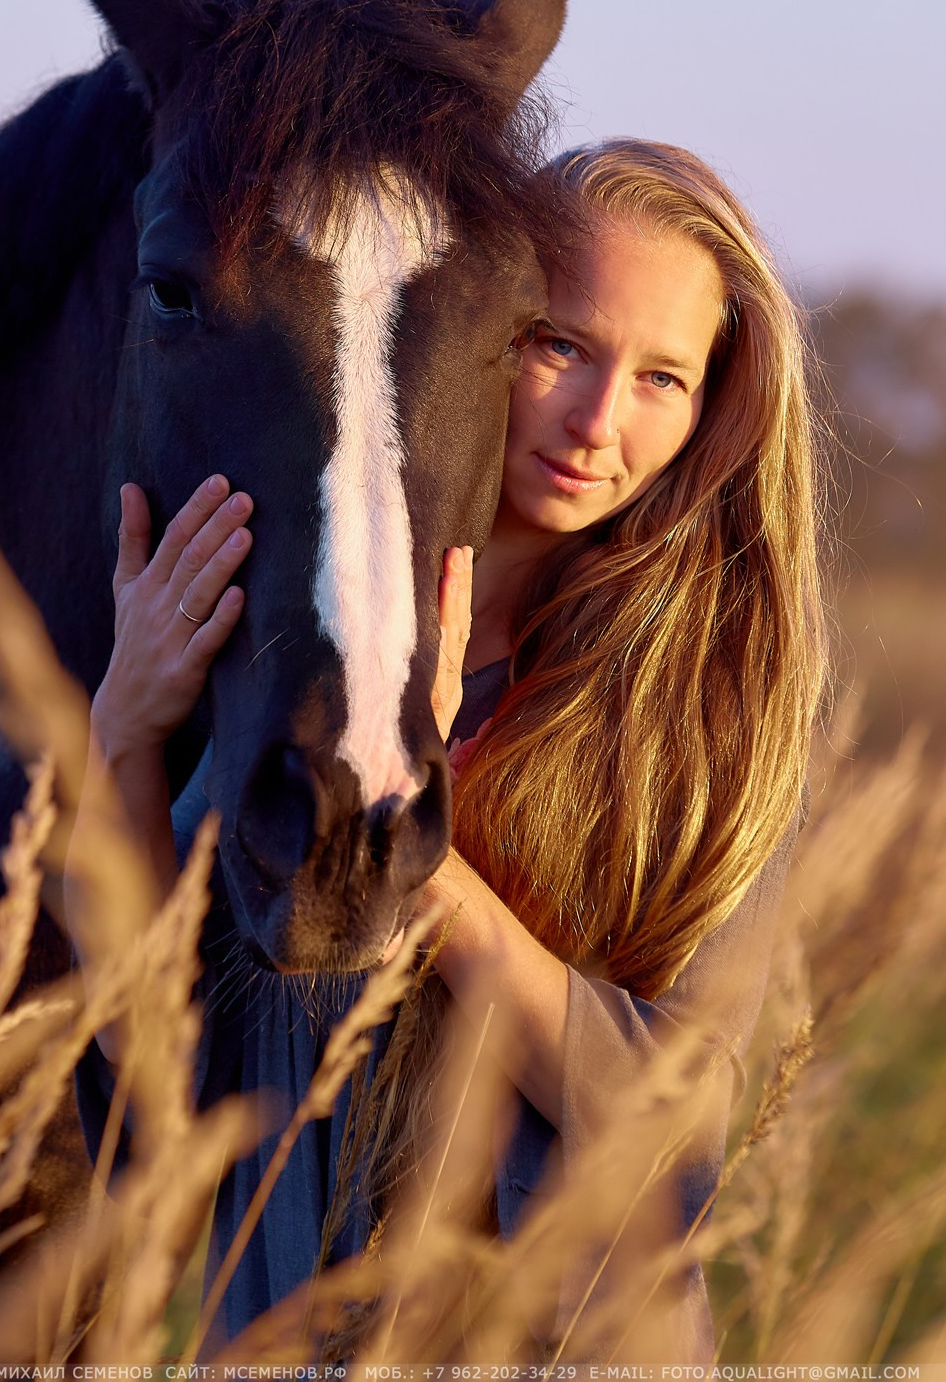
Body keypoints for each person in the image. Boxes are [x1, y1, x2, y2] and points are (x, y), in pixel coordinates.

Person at [73, 139, 827, 1357]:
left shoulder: (710, 716)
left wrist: (411, 837)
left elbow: (674, 1137)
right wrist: (125, 725)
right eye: (561, 346)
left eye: (660, 379)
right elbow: (143, 1064)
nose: (597, 424)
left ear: (709, 407)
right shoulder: (298, 646)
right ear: (471, 325)